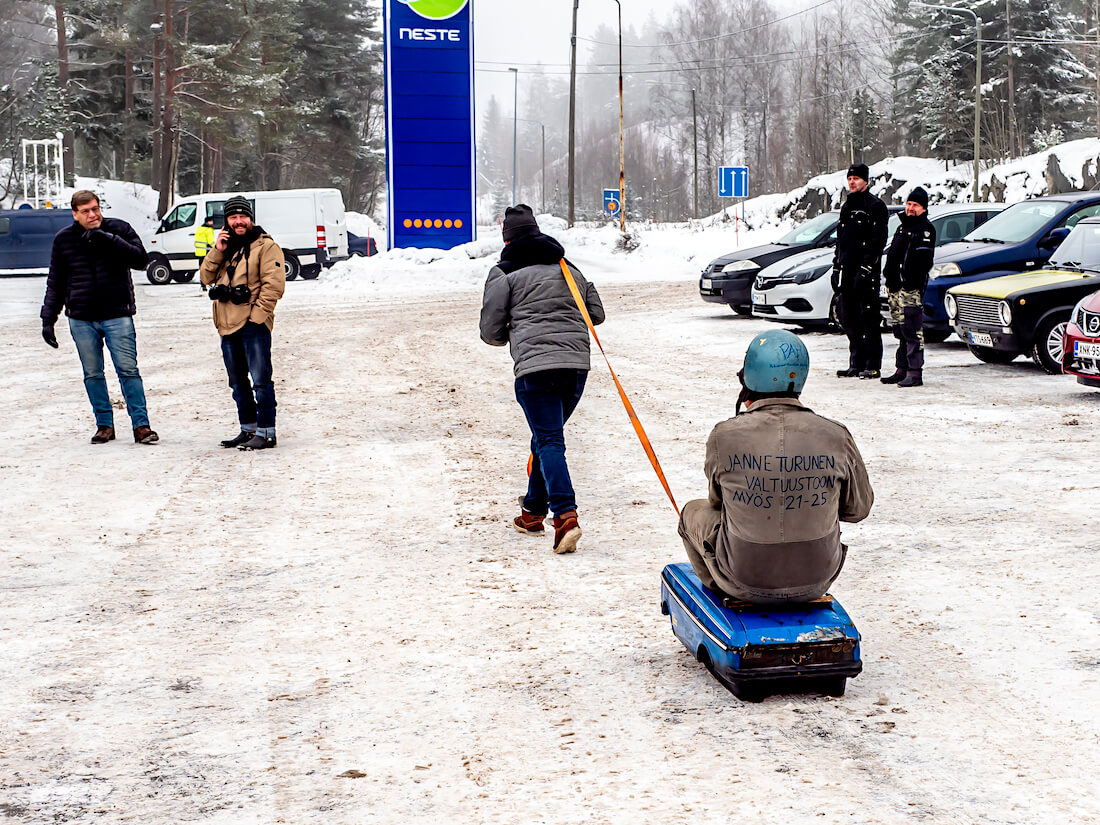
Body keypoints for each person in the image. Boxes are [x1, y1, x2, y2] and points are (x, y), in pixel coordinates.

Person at [677, 330, 874, 603]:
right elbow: (858, 510)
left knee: (691, 512)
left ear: (749, 375)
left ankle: (719, 584)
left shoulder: (724, 435)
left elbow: (717, 501)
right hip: (818, 579)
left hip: (742, 579)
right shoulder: (836, 434)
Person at [480, 204, 605, 554]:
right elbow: (595, 312)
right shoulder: (569, 268)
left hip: (535, 369)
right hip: (576, 368)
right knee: (546, 436)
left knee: (549, 440)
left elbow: (490, 331)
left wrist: (514, 331)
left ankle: (566, 516)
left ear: (507, 238)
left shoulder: (503, 273)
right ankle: (532, 513)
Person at [40, 189, 158, 444]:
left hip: (117, 314)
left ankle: (141, 426)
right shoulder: (64, 240)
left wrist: (108, 239)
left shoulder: (119, 229)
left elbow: (141, 260)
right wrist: (48, 319)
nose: (93, 215)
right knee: (93, 373)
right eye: (86, 211)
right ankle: (104, 425)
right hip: (81, 318)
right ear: (75, 214)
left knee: (128, 371)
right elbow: (56, 282)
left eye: (95, 209)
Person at [199, 195, 285, 450]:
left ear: (251, 218)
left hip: (252, 325)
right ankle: (247, 429)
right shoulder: (226, 247)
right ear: (227, 221)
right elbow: (206, 276)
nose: (238, 221)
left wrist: (257, 318)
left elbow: (274, 286)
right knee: (237, 383)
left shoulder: (266, 246)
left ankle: (267, 431)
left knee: (261, 380)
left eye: (242, 216)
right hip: (227, 325)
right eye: (233, 217)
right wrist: (218, 250)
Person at [831, 163, 889, 379]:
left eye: (856, 178)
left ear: (865, 180)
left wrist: (867, 266)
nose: (852, 182)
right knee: (849, 317)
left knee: (869, 318)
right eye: (849, 179)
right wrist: (836, 265)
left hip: (866, 271)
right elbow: (841, 240)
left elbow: (878, 240)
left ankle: (872, 364)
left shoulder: (875, 206)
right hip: (847, 269)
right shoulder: (847, 207)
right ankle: (856, 362)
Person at [881, 186, 936, 388]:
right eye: (909, 204)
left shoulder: (926, 229)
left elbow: (923, 261)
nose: (911, 208)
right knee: (899, 330)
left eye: (916, 205)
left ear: (923, 208)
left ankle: (915, 372)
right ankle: (901, 369)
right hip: (895, 287)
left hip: (910, 289)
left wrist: (909, 280)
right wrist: (889, 275)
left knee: (912, 330)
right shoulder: (902, 227)